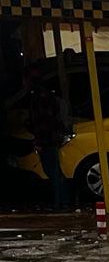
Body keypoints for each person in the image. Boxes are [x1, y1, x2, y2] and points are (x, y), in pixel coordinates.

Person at [25, 67, 73, 211]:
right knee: (54, 171)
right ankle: (62, 201)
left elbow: (43, 122)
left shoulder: (38, 98)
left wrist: (39, 141)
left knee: (53, 171)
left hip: (47, 140)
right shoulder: (45, 96)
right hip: (51, 138)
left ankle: (61, 202)